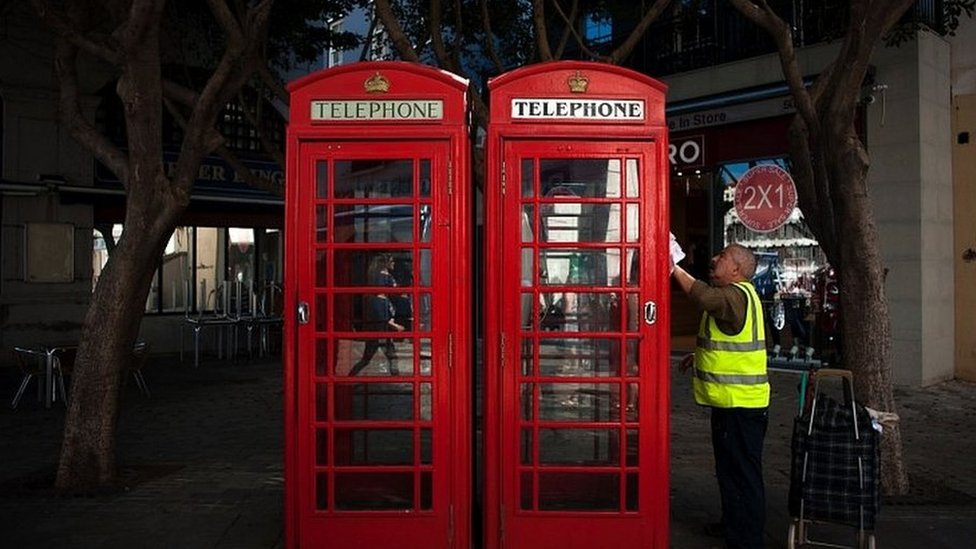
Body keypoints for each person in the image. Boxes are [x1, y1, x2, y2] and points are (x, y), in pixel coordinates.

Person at [671, 243, 769, 549]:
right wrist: (697, 356)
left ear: (737, 269)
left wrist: (672, 265)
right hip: (733, 403)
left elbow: (702, 296)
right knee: (729, 469)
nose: (714, 259)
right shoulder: (742, 296)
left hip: (741, 404)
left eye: (722, 257)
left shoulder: (734, 295)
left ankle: (747, 539)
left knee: (743, 473)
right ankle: (733, 524)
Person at [350, 253, 404, 376]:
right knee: (381, 358)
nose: (394, 263)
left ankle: (350, 377)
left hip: (380, 332)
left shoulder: (379, 286)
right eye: (392, 261)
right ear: (386, 263)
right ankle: (349, 378)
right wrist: (394, 325)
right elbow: (381, 316)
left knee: (386, 357)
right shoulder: (380, 296)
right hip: (380, 332)